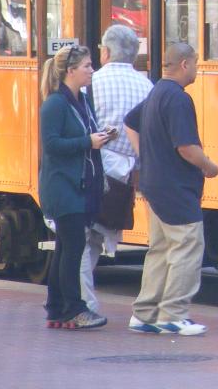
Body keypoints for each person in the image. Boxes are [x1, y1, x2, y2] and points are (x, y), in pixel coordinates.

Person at [123, 42, 218, 336]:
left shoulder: (156, 92)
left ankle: (145, 313)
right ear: (185, 64)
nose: (197, 69)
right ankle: (172, 314)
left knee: (161, 250)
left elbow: (129, 123)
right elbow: (186, 147)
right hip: (177, 187)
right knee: (187, 247)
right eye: (196, 63)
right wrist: (209, 166)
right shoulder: (178, 98)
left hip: (154, 183)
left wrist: (146, 155)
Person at [80, 24, 153, 315]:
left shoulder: (91, 83)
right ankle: (81, 301)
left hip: (94, 169)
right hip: (125, 176)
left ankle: (83, 302)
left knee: (83, 241)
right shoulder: (147, 87)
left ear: (107, 52)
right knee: (96, 239)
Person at [38, 44, 110, 329]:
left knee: (65, 247)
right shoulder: (55, 104)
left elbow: (84, 133)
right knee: (73, 246)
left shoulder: (83, 100)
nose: (92, 70)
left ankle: (56, 309)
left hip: (78, 184)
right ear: (70, 71)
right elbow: (52, 145)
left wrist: (101, 137)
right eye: (87, 66)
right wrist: (87, 142)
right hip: (61, 187)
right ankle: (74, 309)